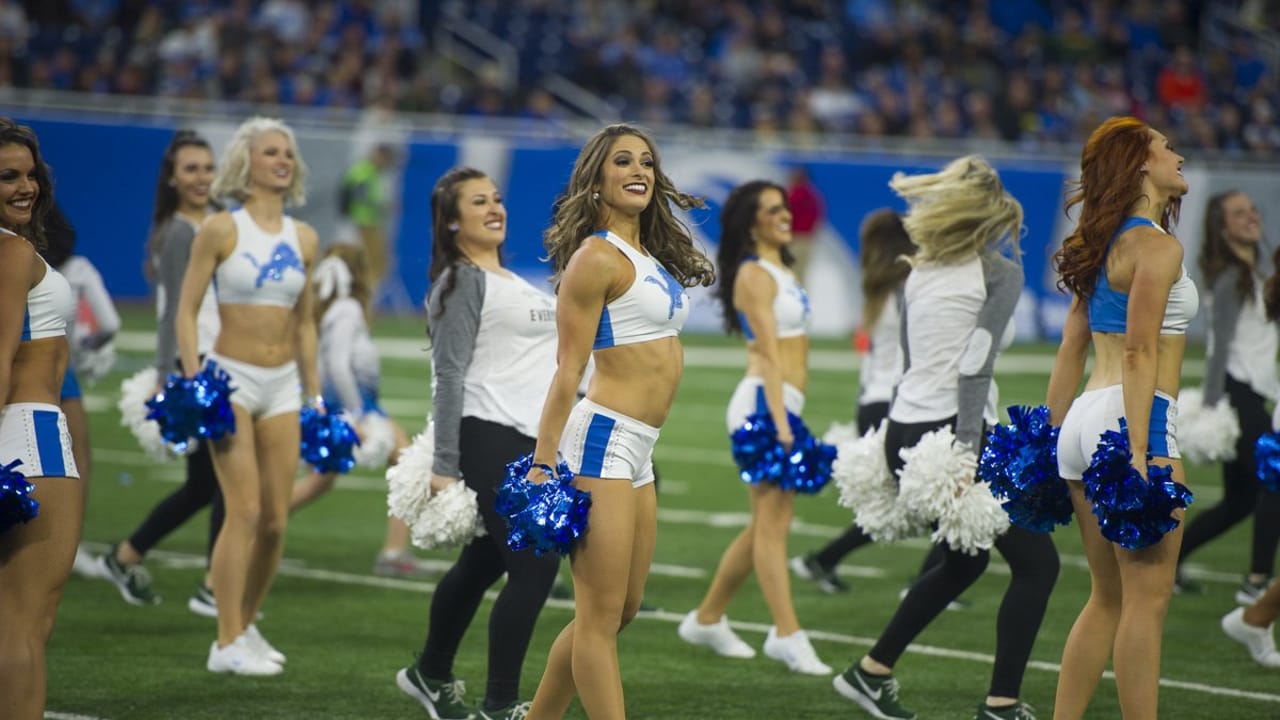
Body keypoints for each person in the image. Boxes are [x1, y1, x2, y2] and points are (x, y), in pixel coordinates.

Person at [833, 156, 1058, 720]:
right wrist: (964, 447)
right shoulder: (998, 272)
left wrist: (898, 438)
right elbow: (976, 362)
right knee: (1038, 566)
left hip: (906, 423)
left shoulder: (919, 270)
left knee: (964, 563)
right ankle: (1001, 704)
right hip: (953, 431)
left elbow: (912, 362)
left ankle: (871, 672)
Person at [524, 124, 715, 720]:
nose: (639, 170)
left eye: (647, 162)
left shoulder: (645, 253)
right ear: (597, 179)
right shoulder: (594, 258)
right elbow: (566, 371)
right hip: (601, 440)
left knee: (620, 611)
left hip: (640, 448)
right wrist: (541, 461)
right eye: (623, 161)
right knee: (600, 619)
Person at [394, 167, 561, 720]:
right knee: (535, 568)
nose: (495, 208)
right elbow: (448, 375)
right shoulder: (462, 280)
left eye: (497, 199)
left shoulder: (515, 282)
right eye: (478, 202)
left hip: (532, 439)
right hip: (487, 432)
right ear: (451, 221)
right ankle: (498, 704)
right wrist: (445, 463)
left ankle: (429, 674)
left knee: (484, 562)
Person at [1048, 116, 1196, 720]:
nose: (1177, 154)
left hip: (1085, 417)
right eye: (1166, 147)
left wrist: (1048, 439)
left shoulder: (1101, 240)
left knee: (1105, 599)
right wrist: (1139, 452)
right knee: (1147, 602)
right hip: (1134, 418)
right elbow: (1140, 351)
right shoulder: (1158, 247)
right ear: (1140, 164)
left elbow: (1072, 346)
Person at [177, 116, 319, 676]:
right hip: (229, 379)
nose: (282, 160)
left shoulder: (304, 238)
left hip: (283, 383)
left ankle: (248, 623)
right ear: (248, 163)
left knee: (277, 521)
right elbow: (188, 310)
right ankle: (225, 638)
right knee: (245, 509)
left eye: (288, 152)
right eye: (270, 152)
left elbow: (305, 323)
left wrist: (313, 391)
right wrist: (196, 378)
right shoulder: (221, 229)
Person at [676, 179, 830, 675]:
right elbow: (765, 352)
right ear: (751, 221)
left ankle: (707, 618)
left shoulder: (778, 267)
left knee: (767, 524)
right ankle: (787, 633)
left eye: (783, 207)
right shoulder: (753, 275)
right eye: (771, 210)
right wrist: (783, 423)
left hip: (783, 401)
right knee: (772, 526)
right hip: (765, 404)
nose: (783, 215)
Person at [94, 130, 225, 611]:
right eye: (190, 169)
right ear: (172, 178)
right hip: (197, 363)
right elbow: (173, 310)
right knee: (225, 479)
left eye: (207, 167)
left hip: (218, 358)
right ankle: (215, 586)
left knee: (202, 486)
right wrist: (169, 376)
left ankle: (126, 555)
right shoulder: (178, 232)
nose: (201, 177)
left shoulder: (217, 220)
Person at [0, 117, 79, 720]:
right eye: (8, 176)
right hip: (29, 435)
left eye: (30, 174)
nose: (25, 186)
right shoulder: (12, 252)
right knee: (25, 625)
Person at [287, 242, 428, 578]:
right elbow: (336, 364)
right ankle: (393, 552)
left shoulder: (329, 309)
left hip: (344, 405)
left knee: (319, 480)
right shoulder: (347, 308)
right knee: (410, 465)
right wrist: (358, 414)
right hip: (355, 406)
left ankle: (258, 526)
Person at [791, 208, 913, 594]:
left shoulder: (876, 288)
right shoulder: (909, 289)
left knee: (909, 496)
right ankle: (825, 559)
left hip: (873, 400)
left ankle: (825, 559)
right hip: (896, 402)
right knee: (914, 497)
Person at [1176, 190, 1280, 601]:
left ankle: (1171, 559)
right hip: (1238, 397)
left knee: (1240, 500)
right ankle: (1256, 583)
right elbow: (1218, 349)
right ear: (1222, 227)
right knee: (1273, 485)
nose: (1251, 217)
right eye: (1239, 214)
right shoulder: (1232, 275)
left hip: (1253, 392)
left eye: (1252, 209)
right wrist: (1214, 406)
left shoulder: (1252, 271)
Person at [37, 205, 121, 579]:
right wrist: (87, 349)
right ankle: (69, 547)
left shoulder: (16, 260)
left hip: (19, 371)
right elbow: (110, 323)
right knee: (76, 461)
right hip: (61, 372)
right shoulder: (78, 269)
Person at [339, 143, 394, 288]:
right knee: (375, 261)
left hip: (368, 220)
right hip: (365, 221)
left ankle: (366, 289)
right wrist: (381, 206)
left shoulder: (369, 171)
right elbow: (361, 196)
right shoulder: (364, 171)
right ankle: (365, 289)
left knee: (376, 261)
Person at [784, 166, 824, 285]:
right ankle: (800, 300)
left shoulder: (795, 194)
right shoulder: (813, 196)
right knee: (800, 273)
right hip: (806, 239)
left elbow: (786, 216)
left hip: (795, 239)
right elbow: (818, 217)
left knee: (791, 272)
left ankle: (792, 300)